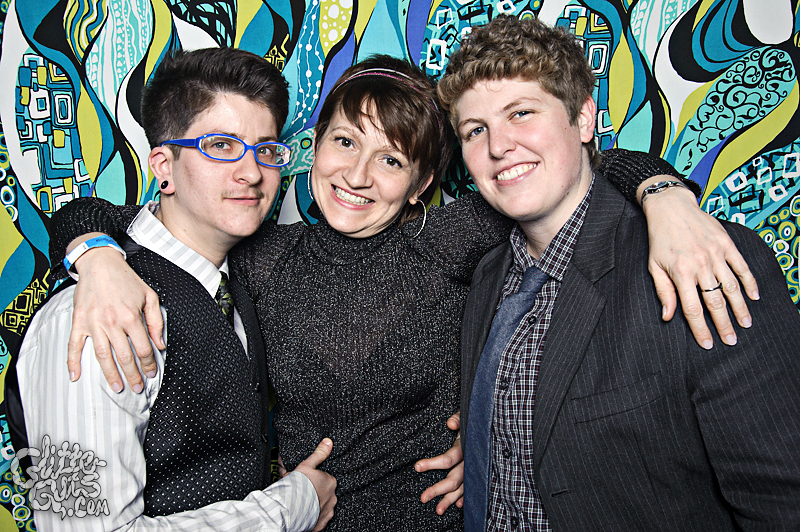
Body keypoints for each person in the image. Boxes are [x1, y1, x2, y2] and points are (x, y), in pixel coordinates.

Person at [49, 53, 758, 530]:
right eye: (344, 143)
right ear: (314, 148)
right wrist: (96, 253)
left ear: (419, 184)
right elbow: (126, 215)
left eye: (391, 159)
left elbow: (571, 169)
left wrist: (665, 195)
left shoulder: (442, 240)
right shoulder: (262, 254)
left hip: (428, 518)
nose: (358, 175)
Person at [437, 15, 800, 531]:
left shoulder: (700, 262)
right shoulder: (487, 277)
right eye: (476, 130)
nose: (498, 146)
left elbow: (782, 501)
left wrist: (661, 190)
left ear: (584, 118)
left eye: (521, 113)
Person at [5, 47, 337, 531]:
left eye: (265, 149)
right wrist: (292, 507)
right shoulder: (90, 318)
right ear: (163, 166)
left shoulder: (241, 281)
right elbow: (79, 527)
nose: (251, 172)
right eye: (221, 145)